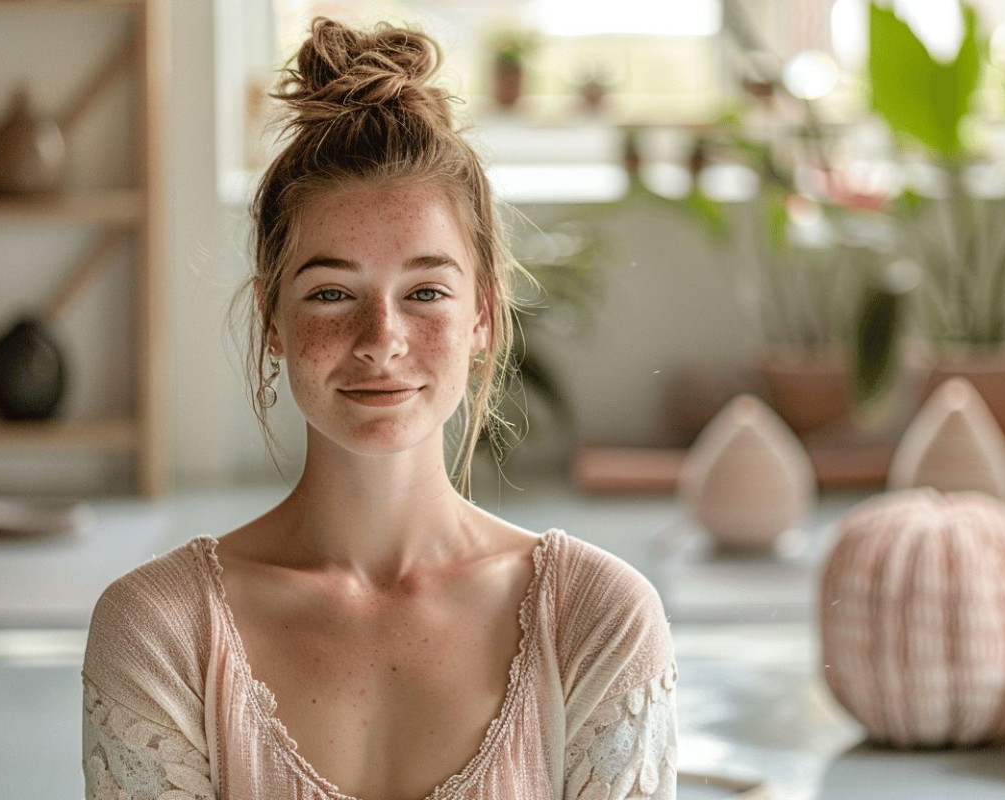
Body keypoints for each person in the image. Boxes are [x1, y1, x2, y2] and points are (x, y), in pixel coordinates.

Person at [79, 17, 677, 800]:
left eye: (425, 293)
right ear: (272, 321)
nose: (380, 340)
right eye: (332, 293)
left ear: (482, 315)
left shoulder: (598, 619)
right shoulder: (161, 630)